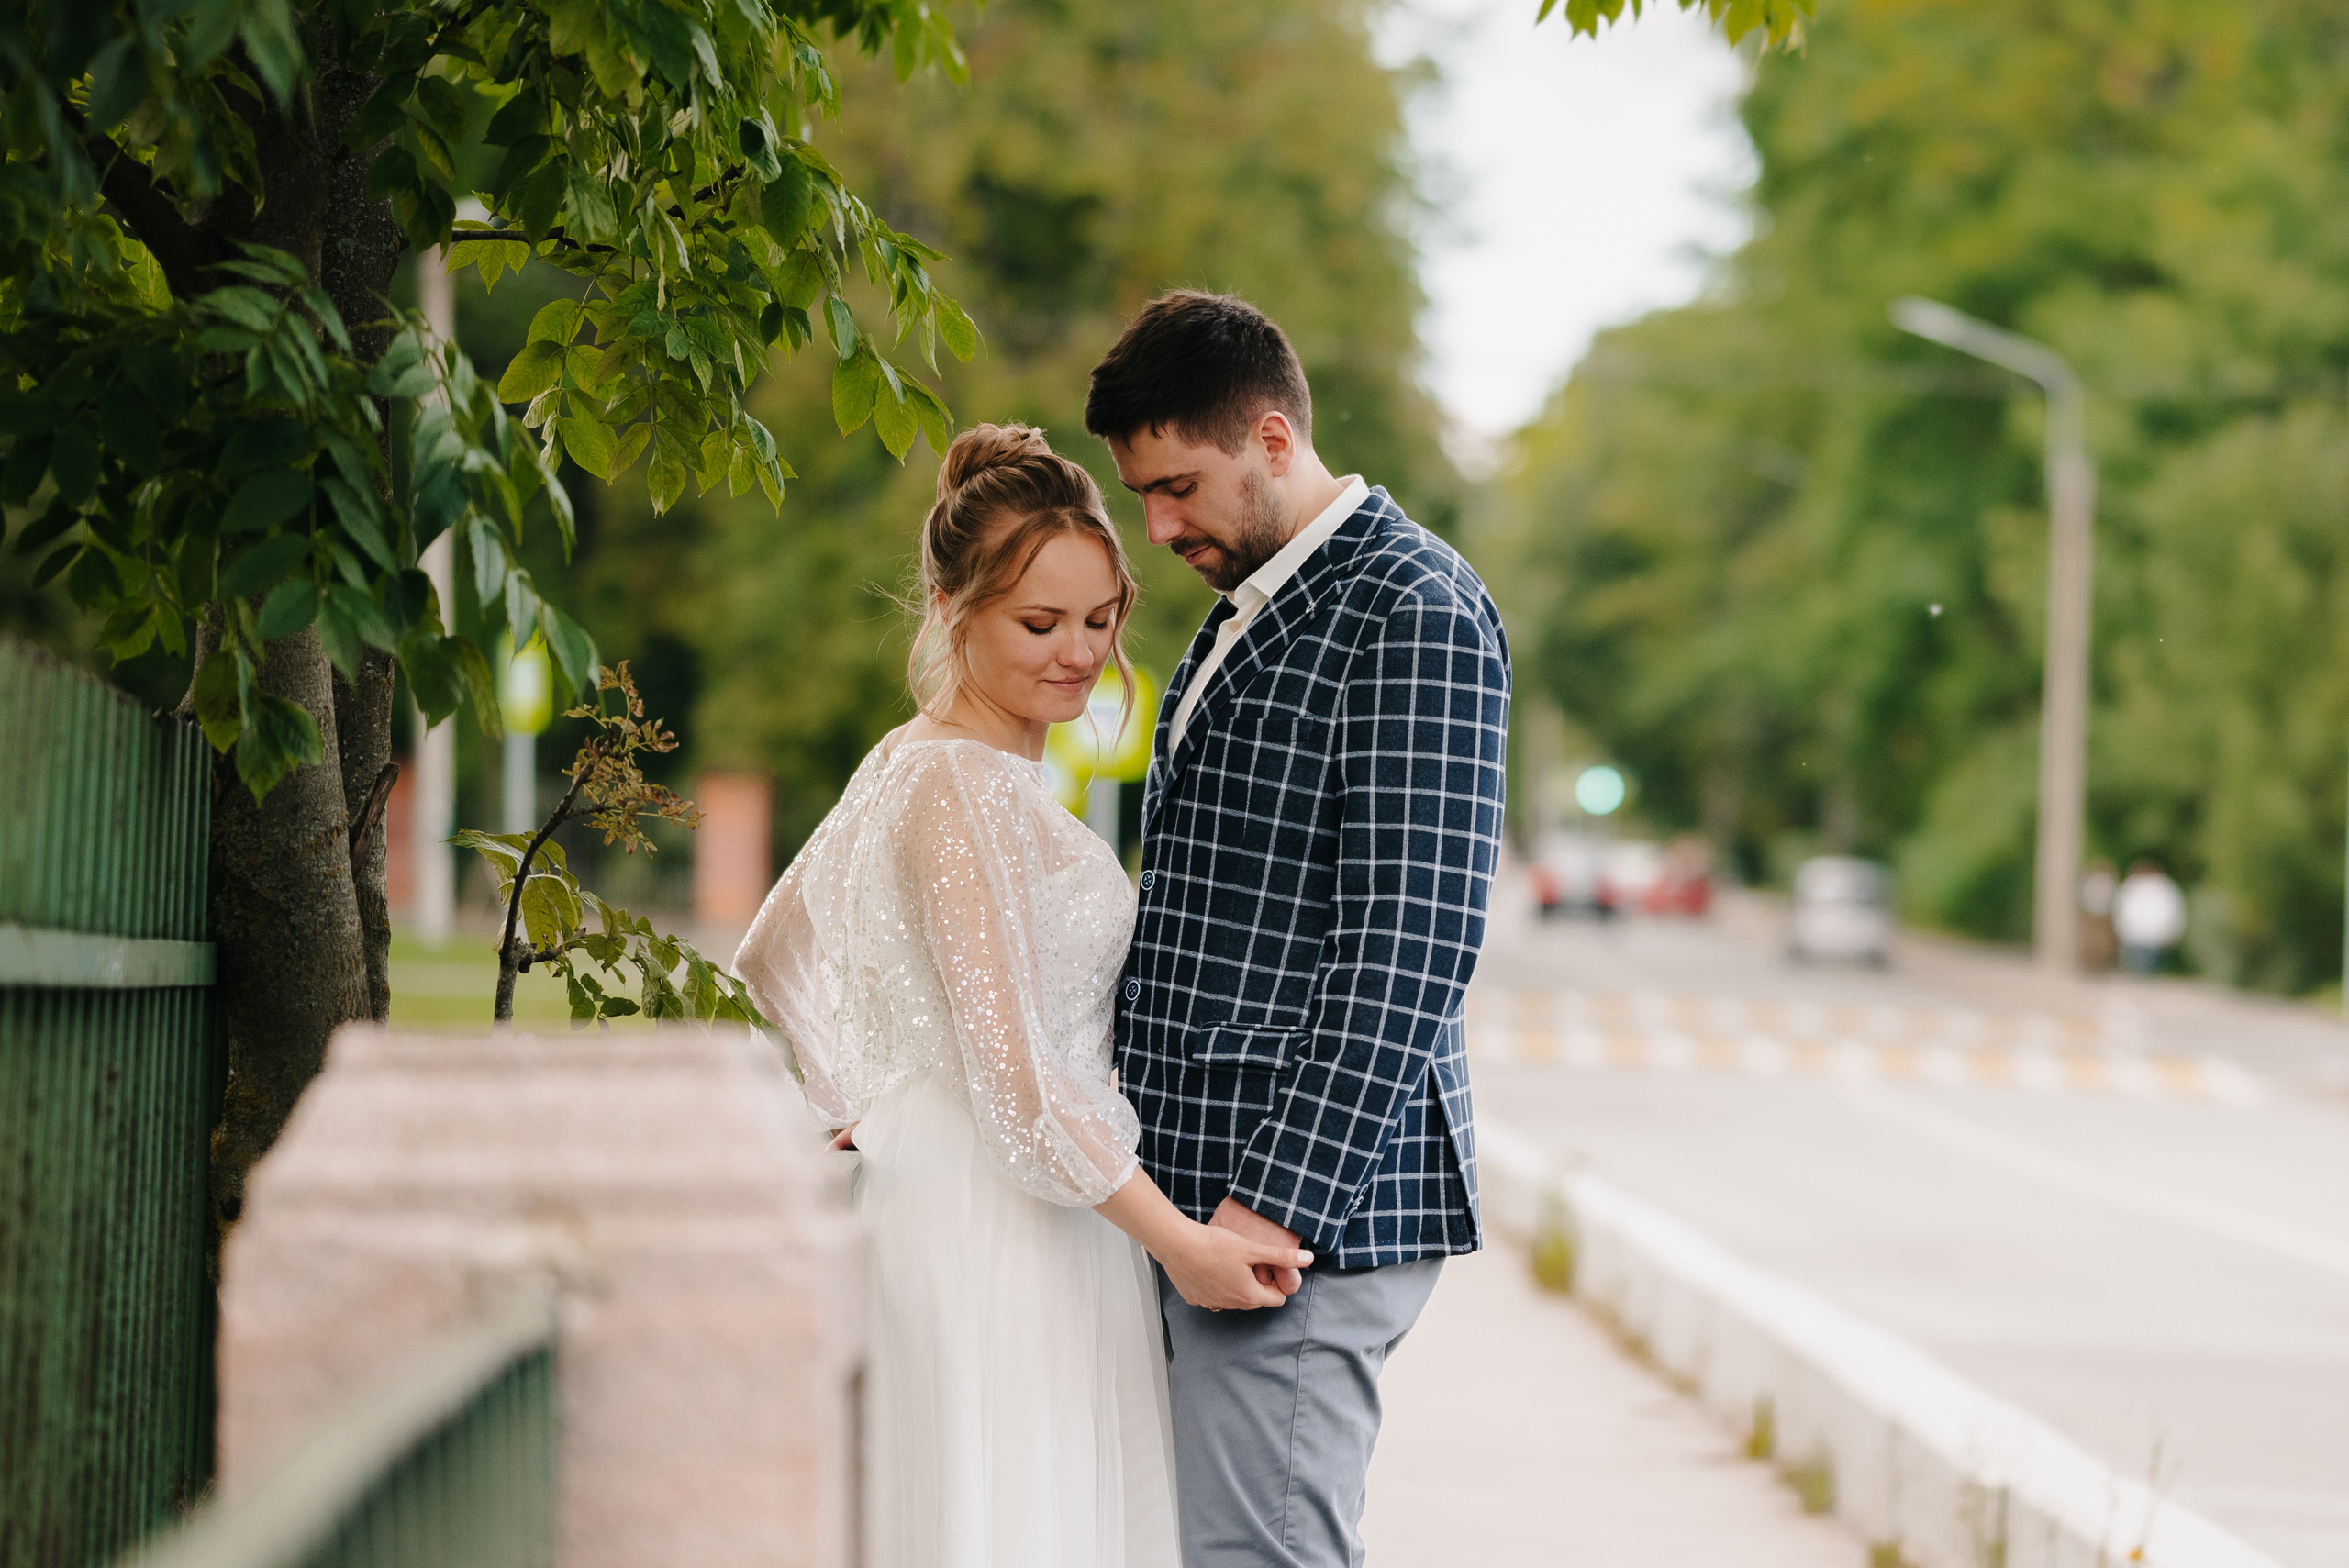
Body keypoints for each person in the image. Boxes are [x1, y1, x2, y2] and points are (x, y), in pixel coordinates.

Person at [733, 424, 1312, 1568]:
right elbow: (1017, 1080)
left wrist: (857, 1102)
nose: (1079, 655)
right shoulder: (960, 787)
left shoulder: (911, 756)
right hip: (1010, 1222)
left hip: (964, 1190)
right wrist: (1180, 1243)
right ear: (950, 608)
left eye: (1100, 620)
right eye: (1039, 624)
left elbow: (771, 950)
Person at [1085, 292, 1511, 1568]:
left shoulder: (1412, 607)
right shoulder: (1257, 599)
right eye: (1143, 496)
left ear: (1273, 439)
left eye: (1180, 487)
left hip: (1295, 1215)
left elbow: (1414, 934)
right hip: (1205, 1187)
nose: (1159, 528)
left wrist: (1277, 1206)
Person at [2112, 858, 2187, 974]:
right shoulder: (2164, 887)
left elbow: (2121, 911)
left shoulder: (2134, 886)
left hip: (2145, 938)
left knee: (2141, 974)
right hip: (2143, 938)